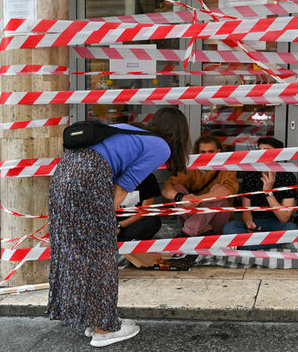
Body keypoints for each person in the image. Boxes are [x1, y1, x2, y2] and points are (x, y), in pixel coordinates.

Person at [47, 108, 190, 348]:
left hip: (64, 174)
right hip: (90, 176)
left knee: (78, 253)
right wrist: (106, 219)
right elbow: (123, 186)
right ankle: (105, 328)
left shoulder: (133, 131)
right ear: (180, 134)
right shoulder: (160, 146)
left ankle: (91, 318)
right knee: (101, 254)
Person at [223, 137, 297, 249]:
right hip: (256, 222)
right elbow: (246, 209)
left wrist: (268, 192)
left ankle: (242, 245)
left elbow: (284, 217)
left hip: (277, 224)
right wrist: (249, 223)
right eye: (259, 150)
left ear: (278, 155)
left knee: (291, 229)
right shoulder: (251, 175)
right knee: (229, 227)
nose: (261, 155)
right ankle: (273, 242)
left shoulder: (287, 176)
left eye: (265, 151)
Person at [161, 135, 238, 238]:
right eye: (203, 152)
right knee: (177, 188)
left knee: (218, 190)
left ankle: (188, 232)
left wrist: (198, 199)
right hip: (193, 213)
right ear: (198, 152)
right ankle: (204, 231)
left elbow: (227, 190)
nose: (207, 155)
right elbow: (166, 189)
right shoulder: (192, 168)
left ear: (218, 151)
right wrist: (182, 197)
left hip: (217, 218)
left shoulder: (227, 168)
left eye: (211, 152)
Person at [117, 173, 161, 242]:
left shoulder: (147, 177)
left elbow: (145, 212)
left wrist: (119, 225)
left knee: (153, 221)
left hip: (132, 225)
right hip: (108, 223)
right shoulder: (107, 176)